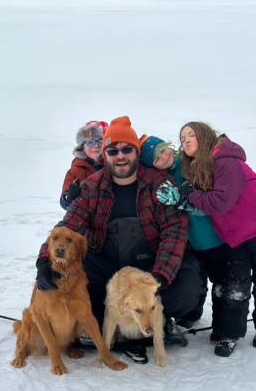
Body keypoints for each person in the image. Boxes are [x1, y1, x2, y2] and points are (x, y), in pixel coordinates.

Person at [37, 116, 204, 343]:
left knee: (185, 291)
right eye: (113, 151)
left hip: (149, 267)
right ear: (104, 156)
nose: (120, 156)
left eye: (127, 149)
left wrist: (157, 278)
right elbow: (68, 228)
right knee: (66, 281)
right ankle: (99, 319)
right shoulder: (90, 188)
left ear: (136, 153)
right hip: (106, 270)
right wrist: (44, 260)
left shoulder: (160, 184)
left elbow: (173, 230)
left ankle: (157, 317)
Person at [156, 122, 256, 357]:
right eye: (182, 139)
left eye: (191, 135)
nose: (186, 141)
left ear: (204, 135)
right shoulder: (197, 166)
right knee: (235, 285)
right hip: (232, 235)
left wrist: (189, 195)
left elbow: (220, 201)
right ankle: (229, 332)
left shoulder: (226, 161)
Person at [139, 135, 227, 335]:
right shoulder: (159, 179)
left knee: (220, 281)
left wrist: (187, 196)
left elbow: (209, 198)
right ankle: (191, 314)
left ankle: (223, 324)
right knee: (198, 277)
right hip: (189, 240)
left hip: (210, 235)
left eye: (163, 150)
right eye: (156, 159)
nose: (164, 157)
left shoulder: (187, 164)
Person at [60, 121, 108, 210]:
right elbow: (64, 204)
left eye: (100, 142)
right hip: (84, 218)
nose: (96, 146)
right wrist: (69, 196)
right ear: (82, 147)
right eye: (90, 143)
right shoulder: (74, 171)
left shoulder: (114, 167)